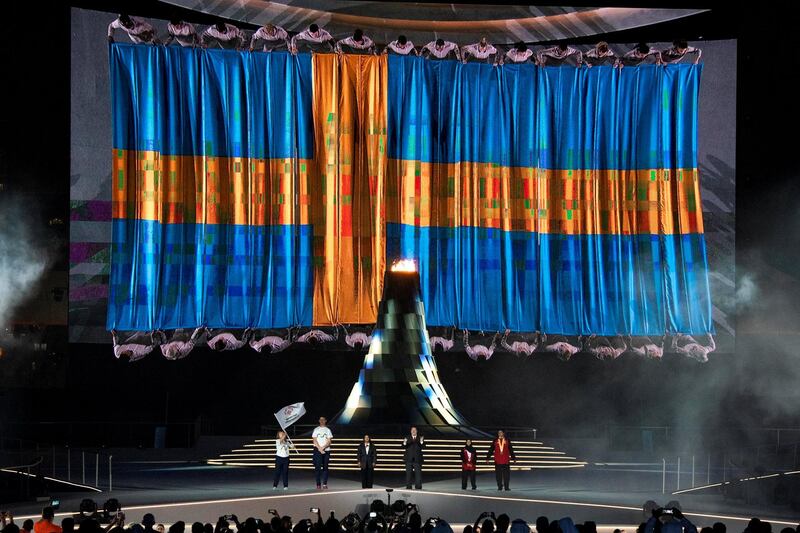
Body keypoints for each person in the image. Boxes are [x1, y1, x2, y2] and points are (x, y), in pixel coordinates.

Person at [312, 416, 333, 489]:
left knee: (325, 467)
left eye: (323, 420)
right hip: (317, 451)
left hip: (326, 451)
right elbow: (314, 440)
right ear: (319, 421)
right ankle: (318, 484)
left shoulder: (328, 430)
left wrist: (323, 448)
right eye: (320, 419)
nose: (322, 421)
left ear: (325, 421)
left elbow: (329, 441)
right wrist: (319, 448)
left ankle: (324, 484)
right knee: (317, 467)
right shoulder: (316, 429)